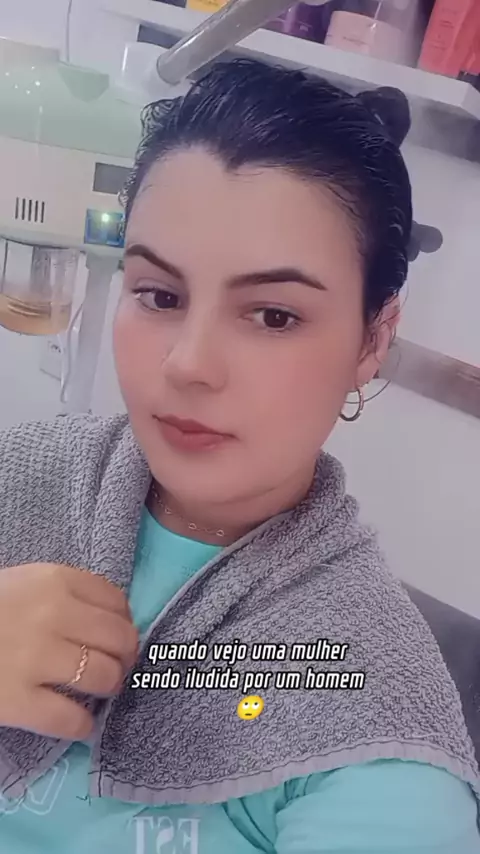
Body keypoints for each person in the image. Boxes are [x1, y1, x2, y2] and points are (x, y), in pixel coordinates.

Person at [0, 58, 479, 853]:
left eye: (273, 316)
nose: (189, 363)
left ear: (373, 340)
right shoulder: (23, 475)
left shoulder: (373, 725)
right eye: (159, 295)